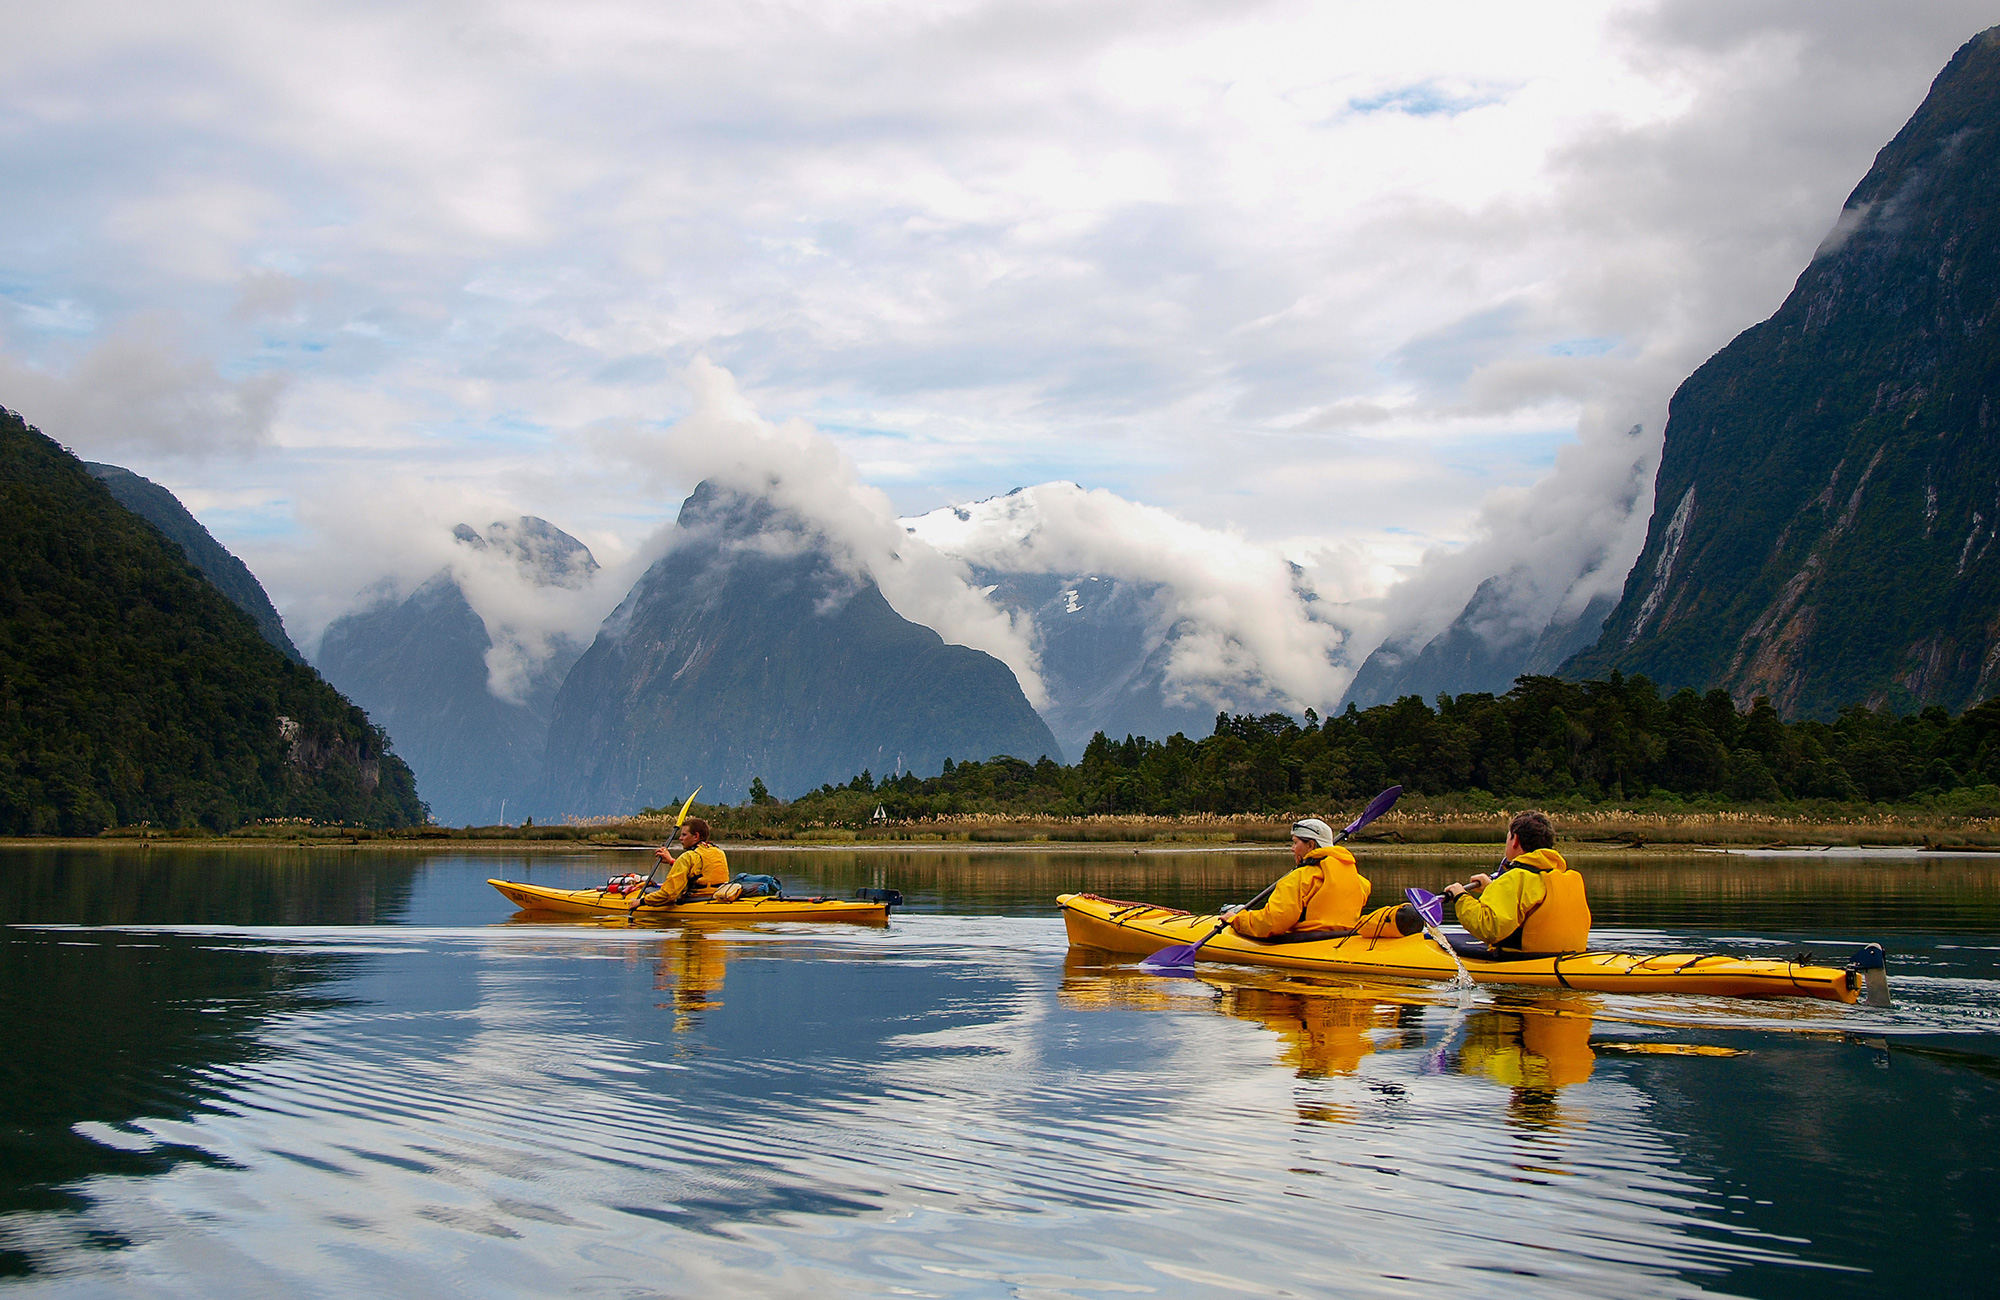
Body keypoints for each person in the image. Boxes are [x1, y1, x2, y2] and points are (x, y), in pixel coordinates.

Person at [1441, 811, 1590, 954]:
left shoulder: (1515, 878)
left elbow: (1489, 929)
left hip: (1526, 960)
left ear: (1515, 840)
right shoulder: (1568, 877)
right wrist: (1492, 888)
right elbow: (1528, 898)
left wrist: (1460, 896)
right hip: (1568, 956)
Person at [1225, 818, 1372, 939]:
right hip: (1345, 938)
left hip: (1308, 942)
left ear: (1310, 845)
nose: (1292, 848)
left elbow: (1273, 922)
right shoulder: (1360, 881)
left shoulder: (1298, 879)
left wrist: (1238, 920)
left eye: (1295, 842)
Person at [643, 817, 728, 905]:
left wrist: (641, 901)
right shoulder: (719, 852)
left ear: (696, 836)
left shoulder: (688, 856)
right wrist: (671, 861)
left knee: (648, 890)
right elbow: (697, 871)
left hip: (696, 898)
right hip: (717, 894)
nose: (680, 838)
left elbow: (668, 894)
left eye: (684, 835)